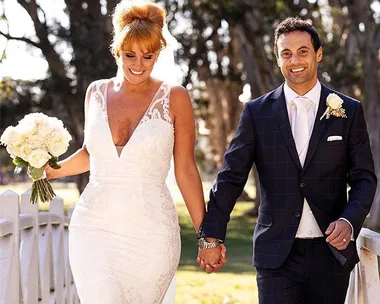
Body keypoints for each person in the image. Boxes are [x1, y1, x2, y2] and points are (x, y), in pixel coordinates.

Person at [45, 1, 225, 303]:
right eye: (130, 55)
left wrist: (207, 238)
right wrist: (48, 169)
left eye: (148, 56)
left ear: (158, 54)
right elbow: (92, 153)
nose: (139, 64)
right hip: (93, 228)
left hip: (152, 234)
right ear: (117, 51)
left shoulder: (175, 97)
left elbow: (186, 171)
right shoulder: (96, 92)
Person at [197, 17, 377, 303]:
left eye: (303, 51)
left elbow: (364, 178)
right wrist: (211, 237)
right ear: (277, 57)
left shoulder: (349, 111)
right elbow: (231, 177)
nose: (295, 60)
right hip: (275, 255)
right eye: (286, 53)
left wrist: (349, 220)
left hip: (330, 256)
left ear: (318, 54)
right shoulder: (257, 113)